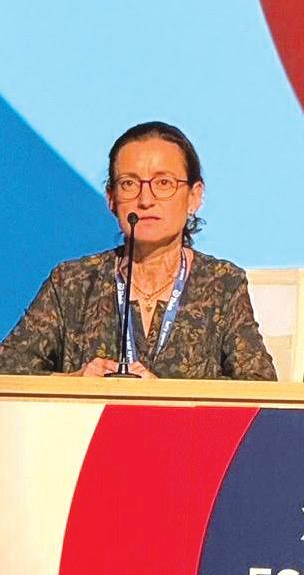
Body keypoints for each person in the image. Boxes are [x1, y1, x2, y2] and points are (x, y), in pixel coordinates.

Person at [0, 121, 276, 380]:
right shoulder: (73, 282)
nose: (145, 200)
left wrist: (164, 396)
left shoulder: (223, 282)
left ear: (194, 196)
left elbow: (259, 384)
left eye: (164, 183)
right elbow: (7, 367)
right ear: (111, 199)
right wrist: (75, 382)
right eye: (129, 183)